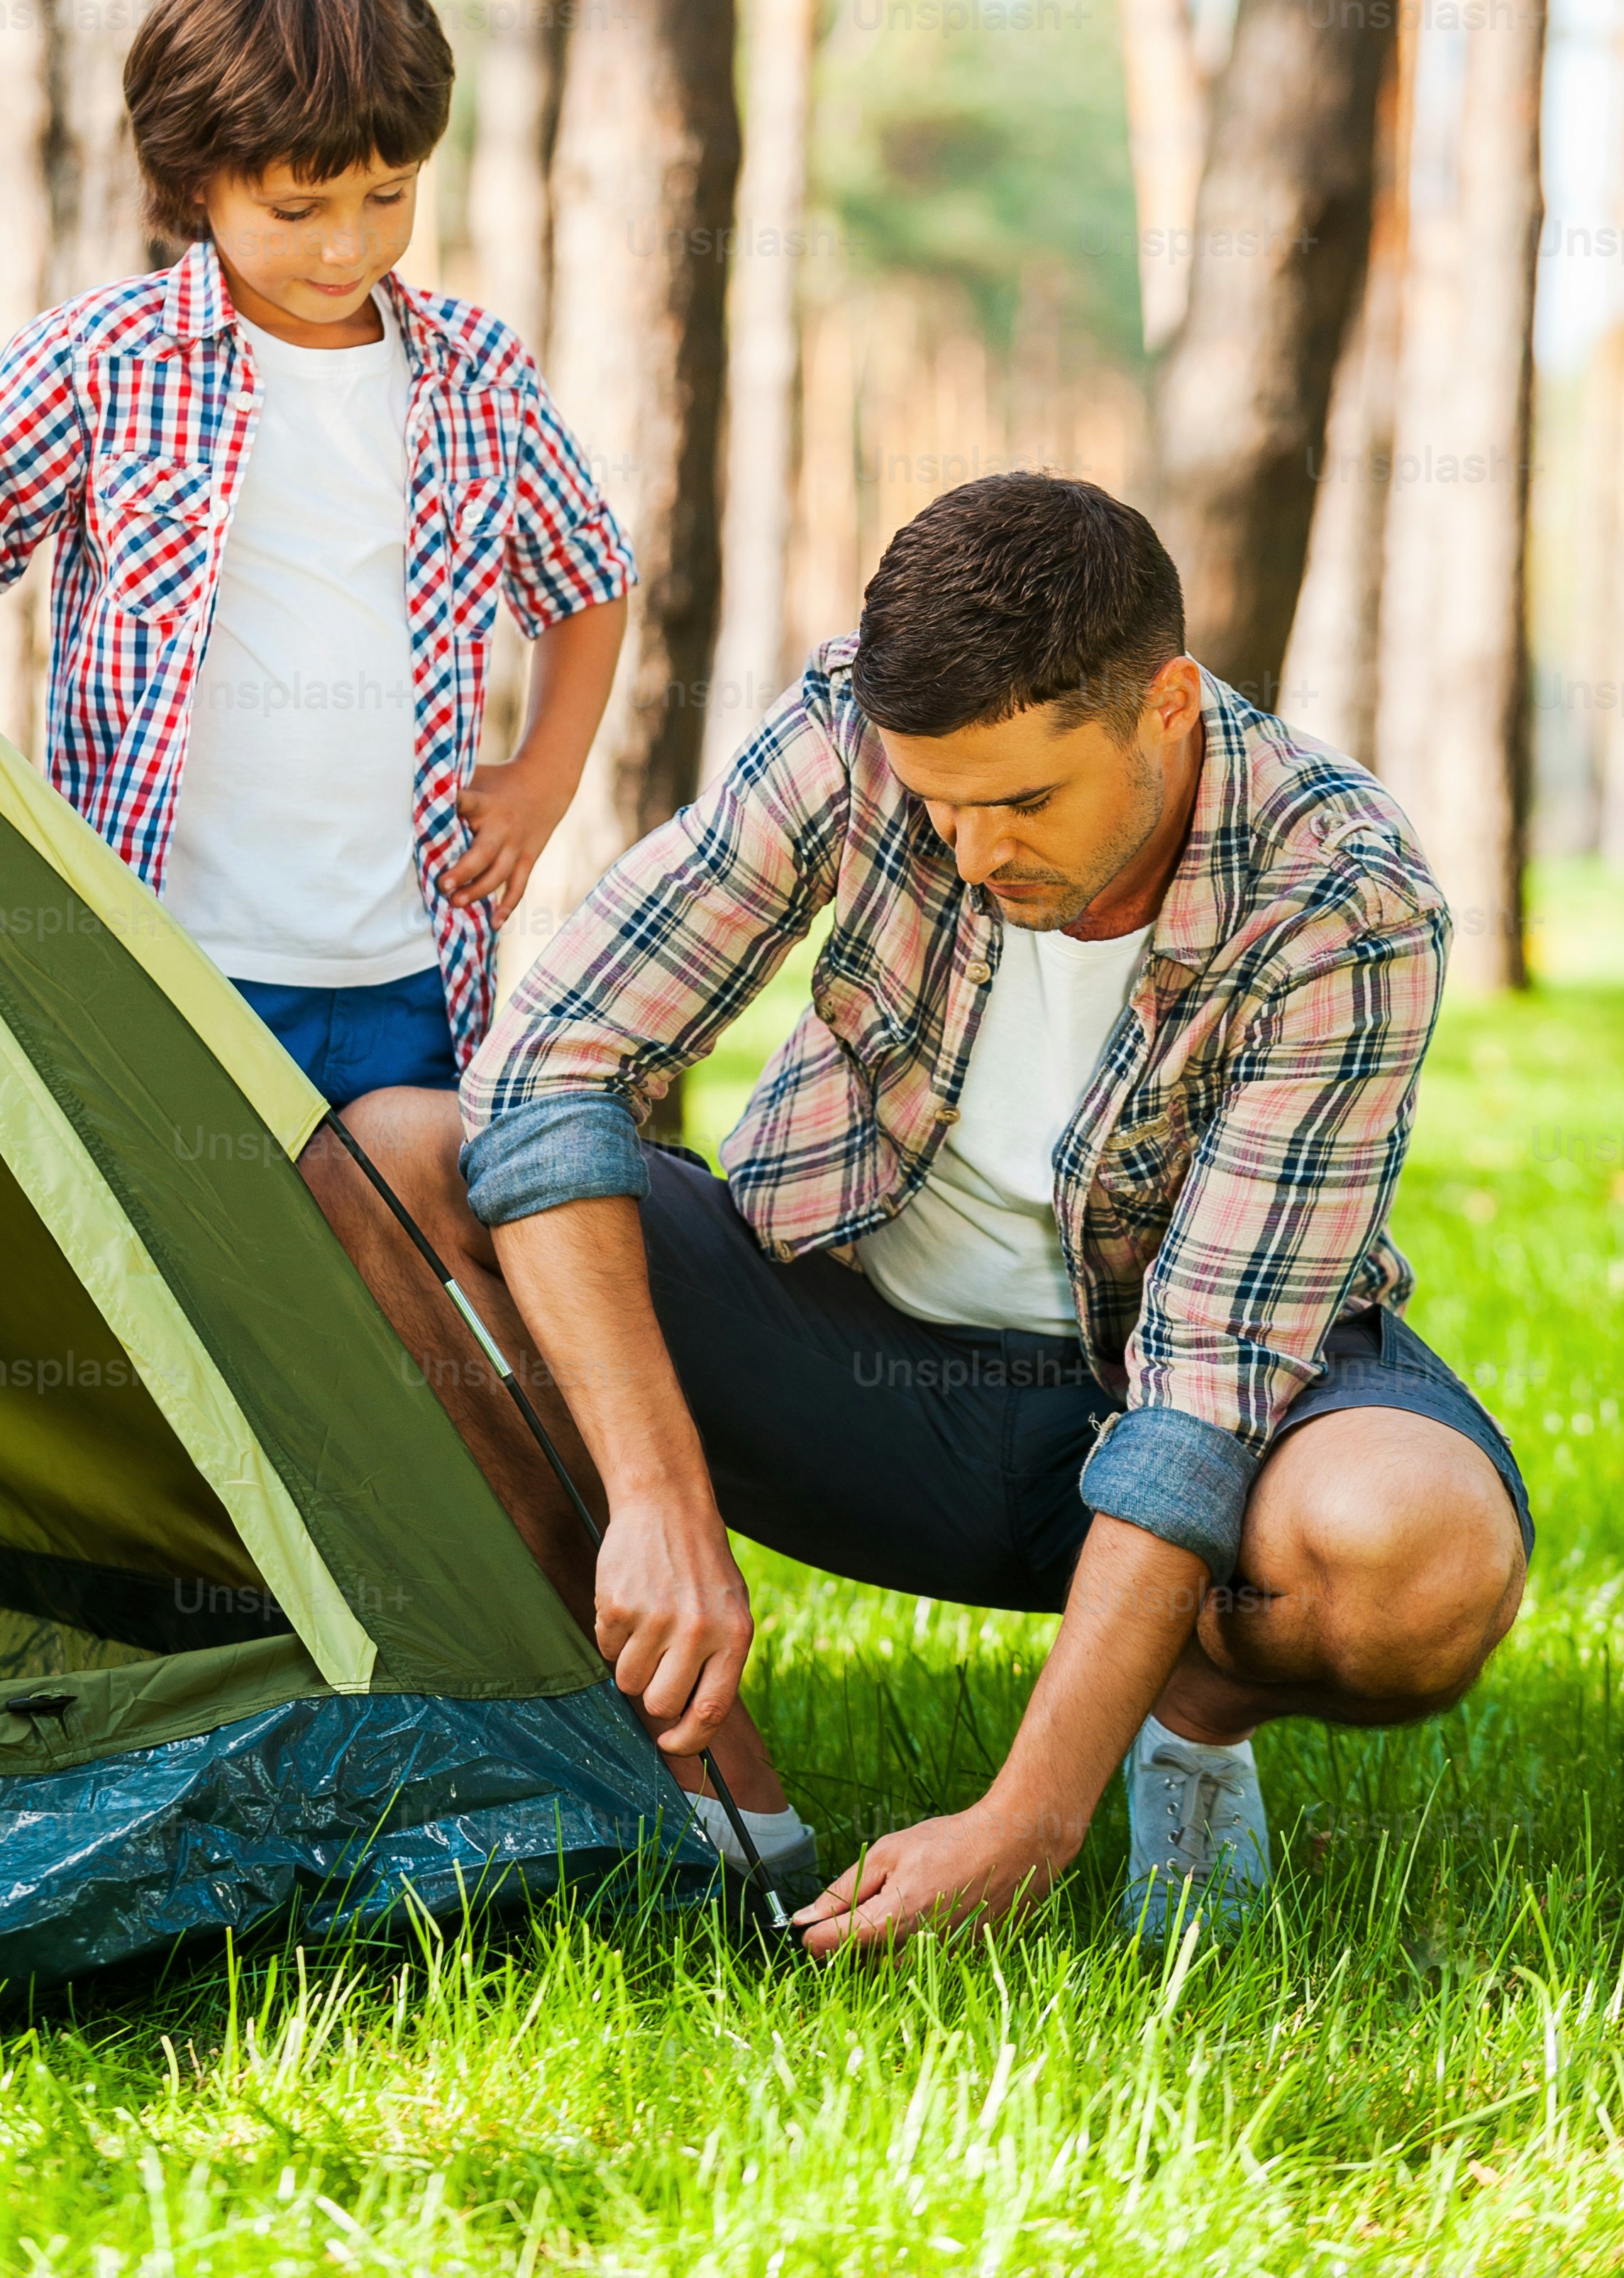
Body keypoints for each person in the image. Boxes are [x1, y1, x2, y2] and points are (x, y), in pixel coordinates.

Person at [310, 473, 1532, 1950]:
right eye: (940, 802)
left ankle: (1188, 1718)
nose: (973, 851)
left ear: (1169, 707)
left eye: (1024, 800)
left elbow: (1207, 1388)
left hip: (1186, 1414)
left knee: (1416, 1555)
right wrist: (658, 1500)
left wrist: (1032, 1817)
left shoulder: (1345, 894)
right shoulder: (850, 733)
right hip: (855, 1369)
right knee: (394, 1148)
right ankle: (714, 1779)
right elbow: (559, 1051)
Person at [0, 0, 631, 1100]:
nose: (347, 248)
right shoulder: (104, 361)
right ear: (195, 180)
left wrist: (545, 776)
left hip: (414, 972)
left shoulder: (480, 373)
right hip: (167, 960)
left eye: (389, 194)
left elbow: (587, 579)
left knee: (394, 1263)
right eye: (297, 209)